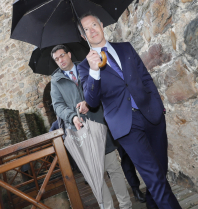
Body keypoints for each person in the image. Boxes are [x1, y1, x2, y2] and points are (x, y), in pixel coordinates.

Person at [77, 14, 181, 209]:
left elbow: (145, 77)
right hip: (126, 126)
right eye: (86, 30)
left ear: (101, 24)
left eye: (94, 25)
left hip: (152, 116)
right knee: (154, 176)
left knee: (160, 171)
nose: (92, 30)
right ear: (83, 37)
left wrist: (158, 106)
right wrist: (94, 71)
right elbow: (92, 101)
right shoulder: (84, 67)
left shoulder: (125, 48)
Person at [50, 44, 132, 209]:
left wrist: (89, 102)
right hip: (79, 133)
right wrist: (72, 117)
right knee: (95, 175)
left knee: (113, 168)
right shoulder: (56, 81)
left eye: (62, 56)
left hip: (99, 125)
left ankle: (126, 205)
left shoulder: (86, 67)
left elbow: (102, 89)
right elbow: (58, 106)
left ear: (69, 54)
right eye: (57, 59)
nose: (60, 60)